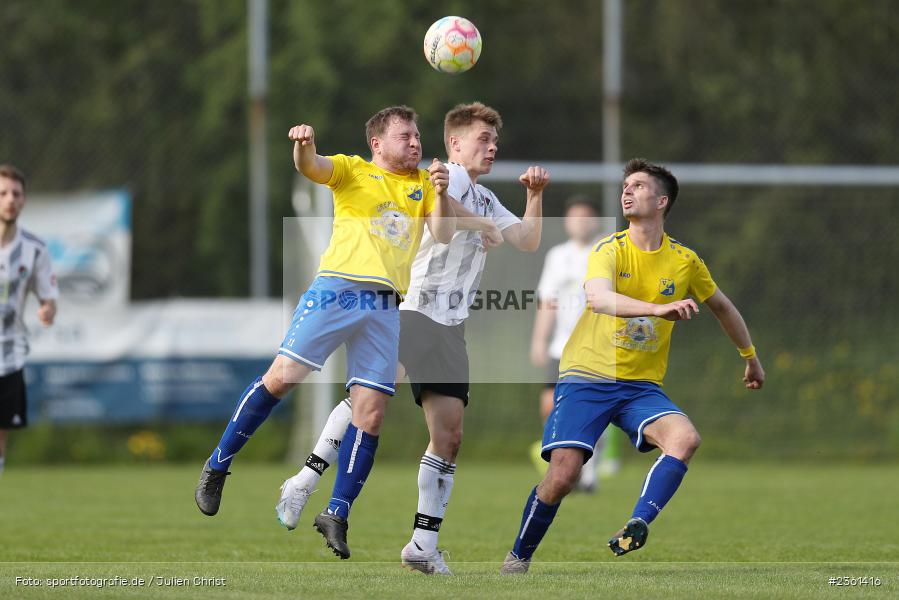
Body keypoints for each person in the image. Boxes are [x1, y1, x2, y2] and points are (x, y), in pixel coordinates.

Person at [275, 102, 550, 573]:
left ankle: (422, 545)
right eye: (482, 139)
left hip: (449, 325)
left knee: (449, 435)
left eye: (495, 141)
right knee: (369, 401)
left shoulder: (484, 196)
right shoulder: (445, 177)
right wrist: (478, 223)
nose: (492, 147)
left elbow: (527, 239)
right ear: (455, 145)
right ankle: (305, 479)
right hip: (413, 308)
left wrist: (534, 194)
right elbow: (446, 211)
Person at [195, 106, 456, 562]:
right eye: (404, 136)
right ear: (377, 143)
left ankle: (336, 512)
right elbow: (312, 167)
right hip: (337, 289)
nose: (415, 143)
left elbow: (444, 233)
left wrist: (442, 192)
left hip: (385, 305)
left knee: (370, 413)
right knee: (282, 378)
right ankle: (218, 464)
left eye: (417, 135)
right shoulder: (354, 170)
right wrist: (303, 145)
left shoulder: (422, 184)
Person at [501, 158, 765, 574]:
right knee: (563, 475)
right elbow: (600, 299)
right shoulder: (608, 248)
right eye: (626, 185)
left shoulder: (684, 260)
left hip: (640, 385)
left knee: (686, 439)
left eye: (638, 185)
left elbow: (723, 307)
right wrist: (659, 310)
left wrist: (750, 358)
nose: (627, 190)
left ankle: (638, 522)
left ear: (661, 201)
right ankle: (518, 557)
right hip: (587, 375)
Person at [529, 196, 619, 492]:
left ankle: (588, 473)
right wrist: (540, 340)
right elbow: (548, 301)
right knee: (549, 406)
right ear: (566, 222)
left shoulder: (606, 251)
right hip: (561, 347)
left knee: (593, 409)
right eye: (574, 216)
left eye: (586, 216)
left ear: (594, 221)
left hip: (596, 345)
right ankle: (571, 465)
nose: (580, 221)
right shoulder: (557, 255)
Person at [0, 164, 59, 477]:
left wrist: (48, 310)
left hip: (8, 356)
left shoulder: (34, 250)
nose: (9, 199)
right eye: (3, 193)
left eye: (16, 194)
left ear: (23, 200)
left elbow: (49, 297)